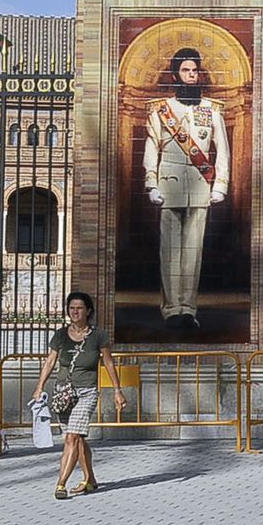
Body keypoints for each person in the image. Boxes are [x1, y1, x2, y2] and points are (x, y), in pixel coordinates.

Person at [142, 47, 230, 332]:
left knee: (193, 252)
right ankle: (171, 309)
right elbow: (151, 148)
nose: (191, 76)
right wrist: (151, 183)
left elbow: (223, 152)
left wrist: (220, 185)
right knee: (169, 252)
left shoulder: (211, 110)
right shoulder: (161, 110)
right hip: (168, 186)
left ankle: (188, 309)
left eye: (195, 71)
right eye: (186, 71)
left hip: (200, 187)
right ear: (175, 75)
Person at [32, 292, 126, 499]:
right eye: (71, 308)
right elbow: (50, 361)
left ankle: (60, 484)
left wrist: (117, 391)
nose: (75, 311)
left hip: (87, 392)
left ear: (88, 311)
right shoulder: (60, 335)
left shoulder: (99, 335)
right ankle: (90, 480)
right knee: (78, 440)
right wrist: (40, 387)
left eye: (79, 308)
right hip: (63, 394)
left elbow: (108, 362)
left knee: (71, 437)